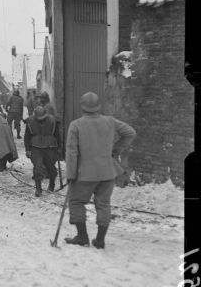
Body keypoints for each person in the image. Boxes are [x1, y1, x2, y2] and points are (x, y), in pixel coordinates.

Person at [64, 92, 136, 249]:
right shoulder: (110, 121)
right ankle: (100, 240)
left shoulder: (76, 125)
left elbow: (71, 152)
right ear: (98, 106)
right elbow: (130, 132)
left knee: (76, 202)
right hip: (107, 171)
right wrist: (115, 150)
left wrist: (70, 174)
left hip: (85, 173)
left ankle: (82, 237)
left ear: (82, 106)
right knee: (103, 204)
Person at [24, 105, 62, 196]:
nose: (41, 120)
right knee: (37, 168)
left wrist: (59, 148)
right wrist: (28, 149)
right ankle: (38, 189)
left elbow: (57, 135)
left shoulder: (52, 121)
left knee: (51, 168)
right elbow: (27, 137)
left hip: (50, 147)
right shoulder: (30, 121)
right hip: (36, 147)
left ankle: (52, 184)